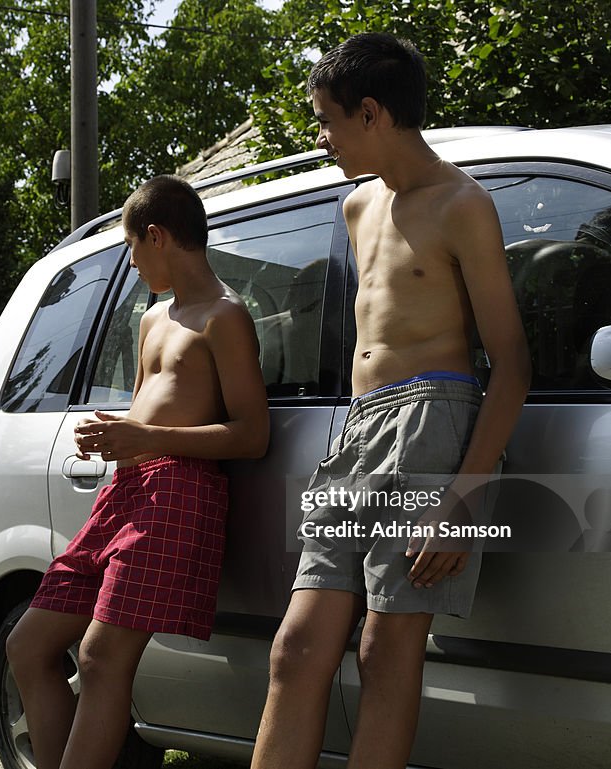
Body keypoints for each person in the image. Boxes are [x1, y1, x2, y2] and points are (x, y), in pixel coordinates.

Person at [251, 33, 531, 769]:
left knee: (385, 647)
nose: (322, 137)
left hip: (432, 422)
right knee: (297, 645)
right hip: (358, 429)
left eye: (328, 120)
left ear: (371, 113)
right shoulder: (355, 206)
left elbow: (513, 364)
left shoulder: (463, 205)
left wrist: (463, 498)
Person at [6, 174, 270, 769]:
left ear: (156, 236)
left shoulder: (225, 317)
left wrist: (144, 435)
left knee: (100, 658)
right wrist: (116, 436)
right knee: (28, 645)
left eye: (131, 248)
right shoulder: (153, 318)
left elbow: (252, 434)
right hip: (123, 494)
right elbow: (155, 406)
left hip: (179, 492)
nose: (132, 263)